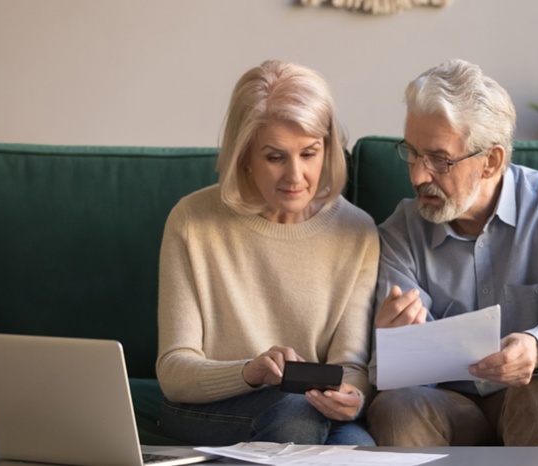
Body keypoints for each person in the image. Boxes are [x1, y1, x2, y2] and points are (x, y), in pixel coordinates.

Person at [366, 58, 538, 446]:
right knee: (398, 406)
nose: (417, 175)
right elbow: (393, 375)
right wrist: (393, 343)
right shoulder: (401, 230)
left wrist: (536, 348)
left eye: (439, 159)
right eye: (412, 153)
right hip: (451, 402)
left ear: (492, 161)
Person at [156, 60, 379, 446]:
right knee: (295, 415)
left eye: (309, 153)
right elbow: (174, 371)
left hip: (312, 410)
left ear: (327, 148)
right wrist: (249, 371)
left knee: (360, 448)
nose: (295, 176)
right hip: (211, 406)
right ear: (245, 155)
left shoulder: (357, 231)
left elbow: (351, 365)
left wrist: (352, 397)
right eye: (275, 157)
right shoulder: (191, 221)